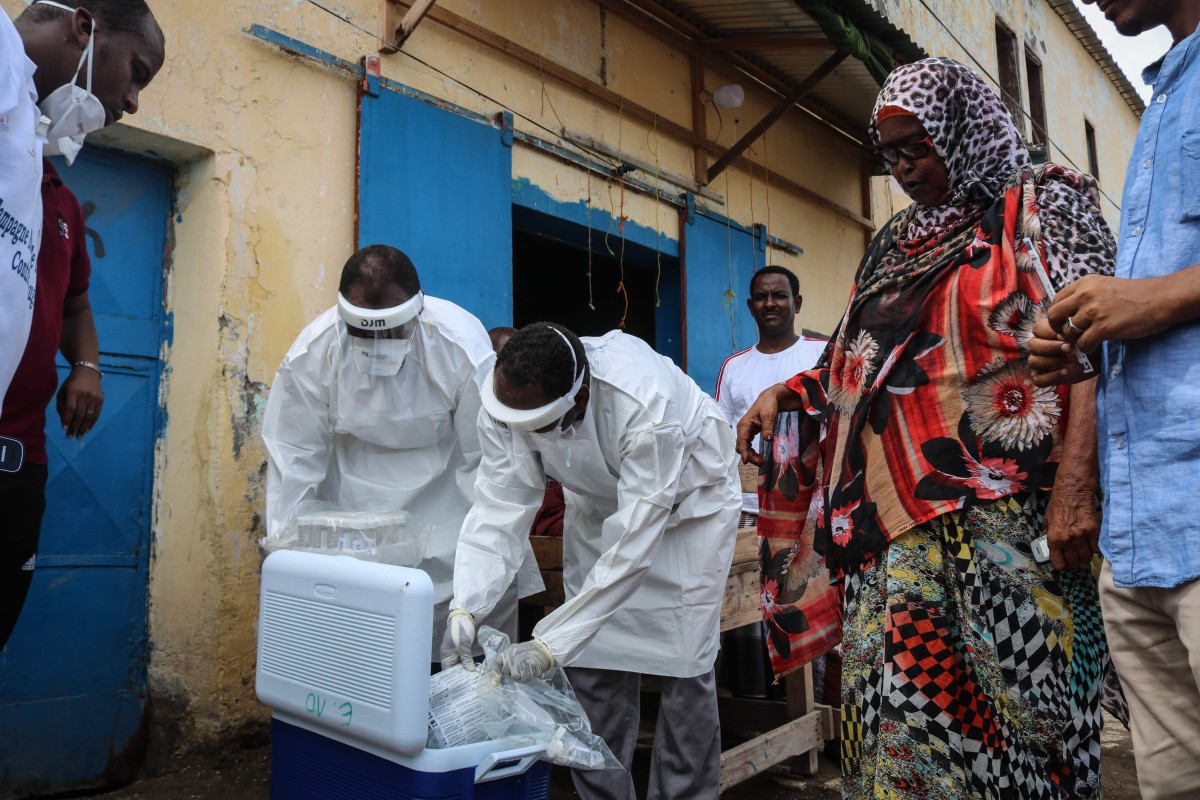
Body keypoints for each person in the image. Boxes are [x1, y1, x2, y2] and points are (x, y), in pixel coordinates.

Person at [738, 58, 1119, 798]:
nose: (905, 168)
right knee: (912, 730)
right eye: (891, 155)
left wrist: (1079, 482)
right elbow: (860, 358)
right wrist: (788, 391)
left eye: (919, 146)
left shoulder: (1040, 208)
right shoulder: (895, 244)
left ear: (963, 129)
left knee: (1021, 727)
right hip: (896, 535)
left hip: (1011, 530)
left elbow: (1105, 350)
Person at [444, 323, 740, 800]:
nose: (521, 437)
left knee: (685, 669)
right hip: (597, 504)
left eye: (534, 427)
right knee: (591, 665)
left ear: (576, 402)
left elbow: (633, 544)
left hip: (689, 507)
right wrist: (467, 603)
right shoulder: (504, 402)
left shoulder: (645, 404)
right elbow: (499, 506)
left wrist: (549, 644)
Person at [1028, 2, 1200, 796]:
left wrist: (1153, 299)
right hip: (1142, 533)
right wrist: (1087, 340)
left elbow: (1165, 297)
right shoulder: (1166, 97)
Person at [261, 245, 537, 658]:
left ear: (418, 308)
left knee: (458, 654)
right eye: (364, 332)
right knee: (360, 658)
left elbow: (488, 463)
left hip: (449, 520)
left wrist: (482, 567)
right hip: (355, 525)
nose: (379, 343)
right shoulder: (313, 354)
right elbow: (293, 458)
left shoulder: (459, 344)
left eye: (392, 331)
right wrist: (288, 557)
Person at [0, 0, 164, 652]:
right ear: (84, 26)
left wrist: (87, 368)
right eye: (137, 72)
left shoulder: (48, 189)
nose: (129, 100)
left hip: (18, 463)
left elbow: (73, 305)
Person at [716, 265, 827, 525]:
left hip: (813, 506)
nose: (769, 303)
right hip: (746, 506)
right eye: (760, 297)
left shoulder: (823, 354)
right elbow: (720, 433)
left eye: (778, 295)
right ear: (750, 306)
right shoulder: (733, 365)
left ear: (796, 303)